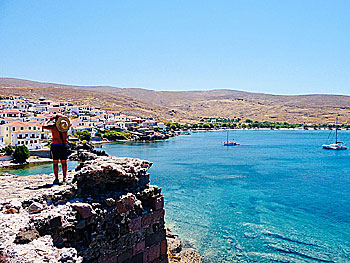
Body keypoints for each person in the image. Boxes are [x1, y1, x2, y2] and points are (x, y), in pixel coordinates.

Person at [42, 114, 71, 184]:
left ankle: (56, 179)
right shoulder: (65, 127)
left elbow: (44, 125)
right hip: (63, 145)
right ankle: (65, 178)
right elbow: (70, 123)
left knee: (55, 163)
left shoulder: (53, 127)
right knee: (64, 162)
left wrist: (49, 120)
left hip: (55, 145)